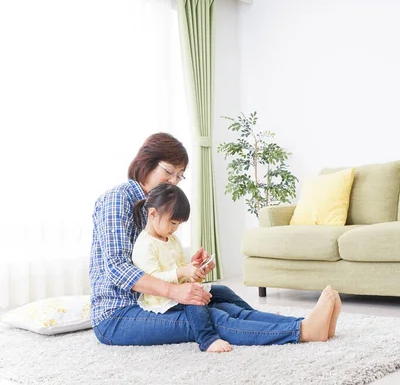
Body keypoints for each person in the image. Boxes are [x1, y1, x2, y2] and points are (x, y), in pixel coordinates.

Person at [89, 132, 342, 349]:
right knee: (208, 316)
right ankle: (303, 332)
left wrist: (191, 271)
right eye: (169, 172)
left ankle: (298, 324)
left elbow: (159, 265)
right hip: (118, 315)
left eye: (179, 176)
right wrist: (177, 291)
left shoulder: (157, 206)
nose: (174, 181)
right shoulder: (117, 199)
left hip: (156, 302)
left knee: (224, 299)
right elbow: (116, 268)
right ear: (146, 163)